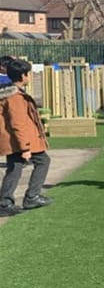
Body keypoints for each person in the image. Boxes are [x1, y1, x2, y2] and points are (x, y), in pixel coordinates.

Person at [0, 59, 53, 215]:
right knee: (43, 161)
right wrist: (25, 148)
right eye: (29, 74)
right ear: (23, 76)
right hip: (20, 140)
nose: (30, 76)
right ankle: (31, 196)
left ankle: (5, 202)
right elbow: (18, 124)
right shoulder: (15, 97)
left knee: (15, 167)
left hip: (15, 139)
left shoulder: (12, 93)